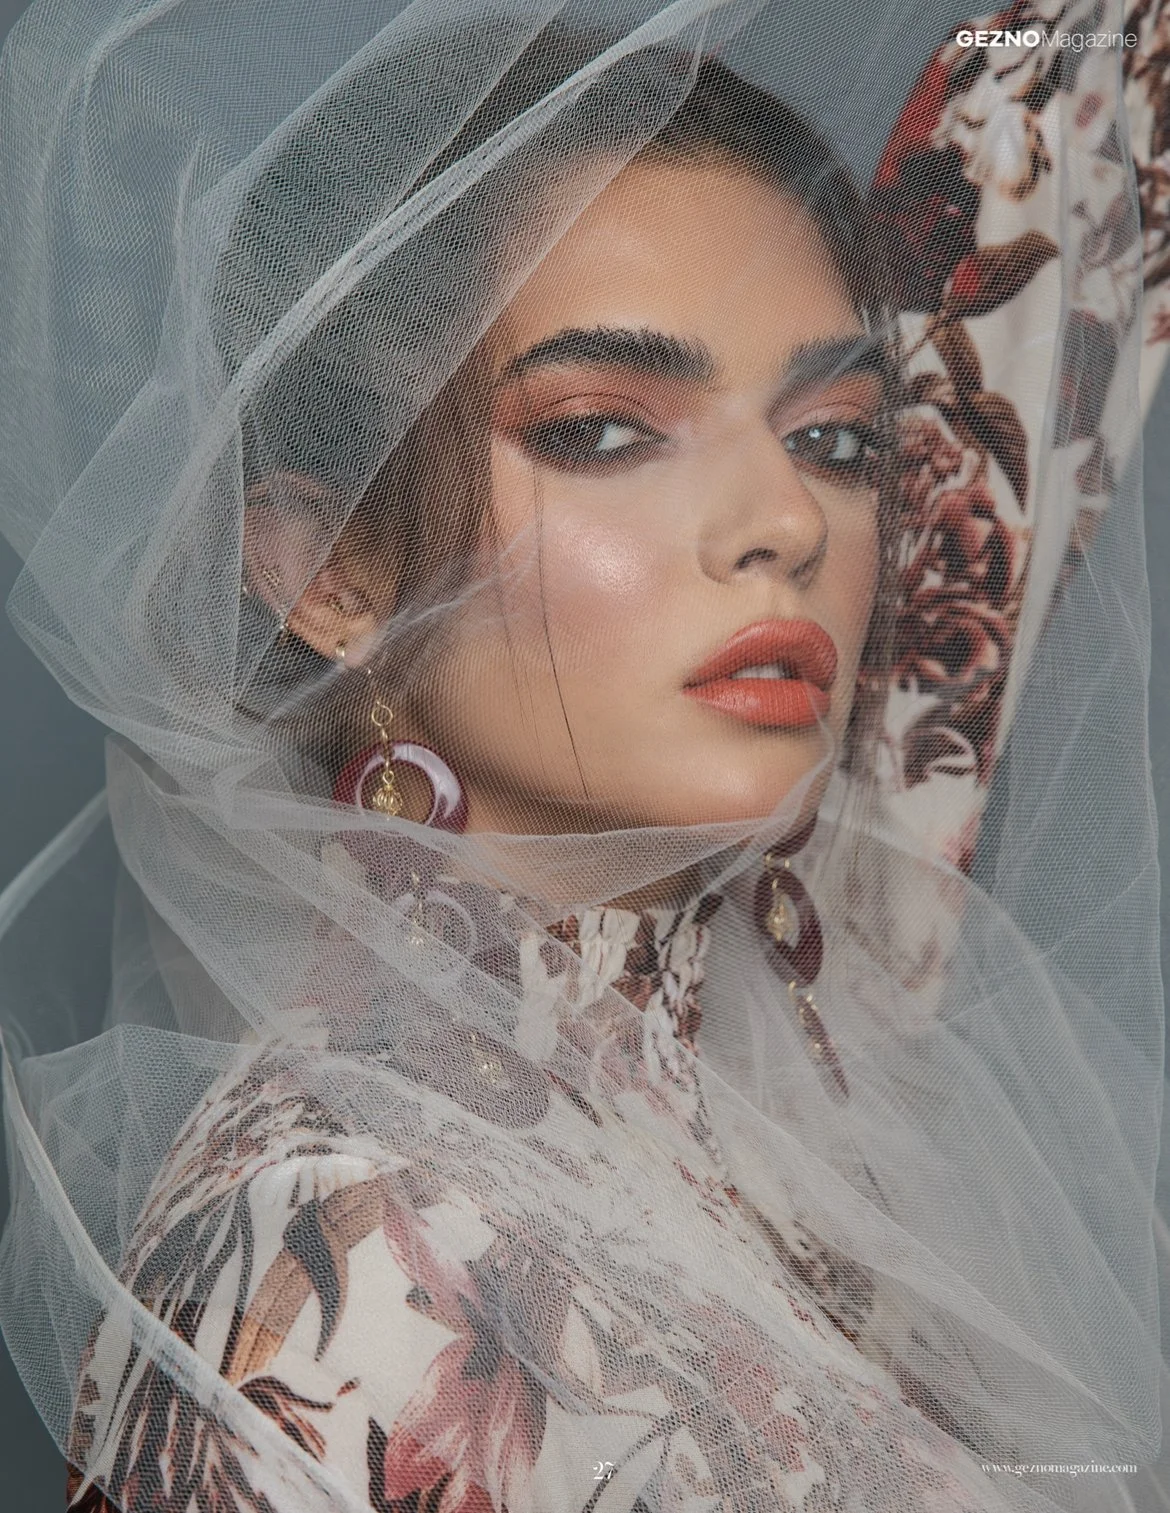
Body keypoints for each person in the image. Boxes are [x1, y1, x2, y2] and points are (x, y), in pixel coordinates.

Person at [0, 2, 1166, 1510]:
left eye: (833, 439)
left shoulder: (787, 1130)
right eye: (605, 430)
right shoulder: (350, 1246)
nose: (788, 521)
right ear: (326, 568)